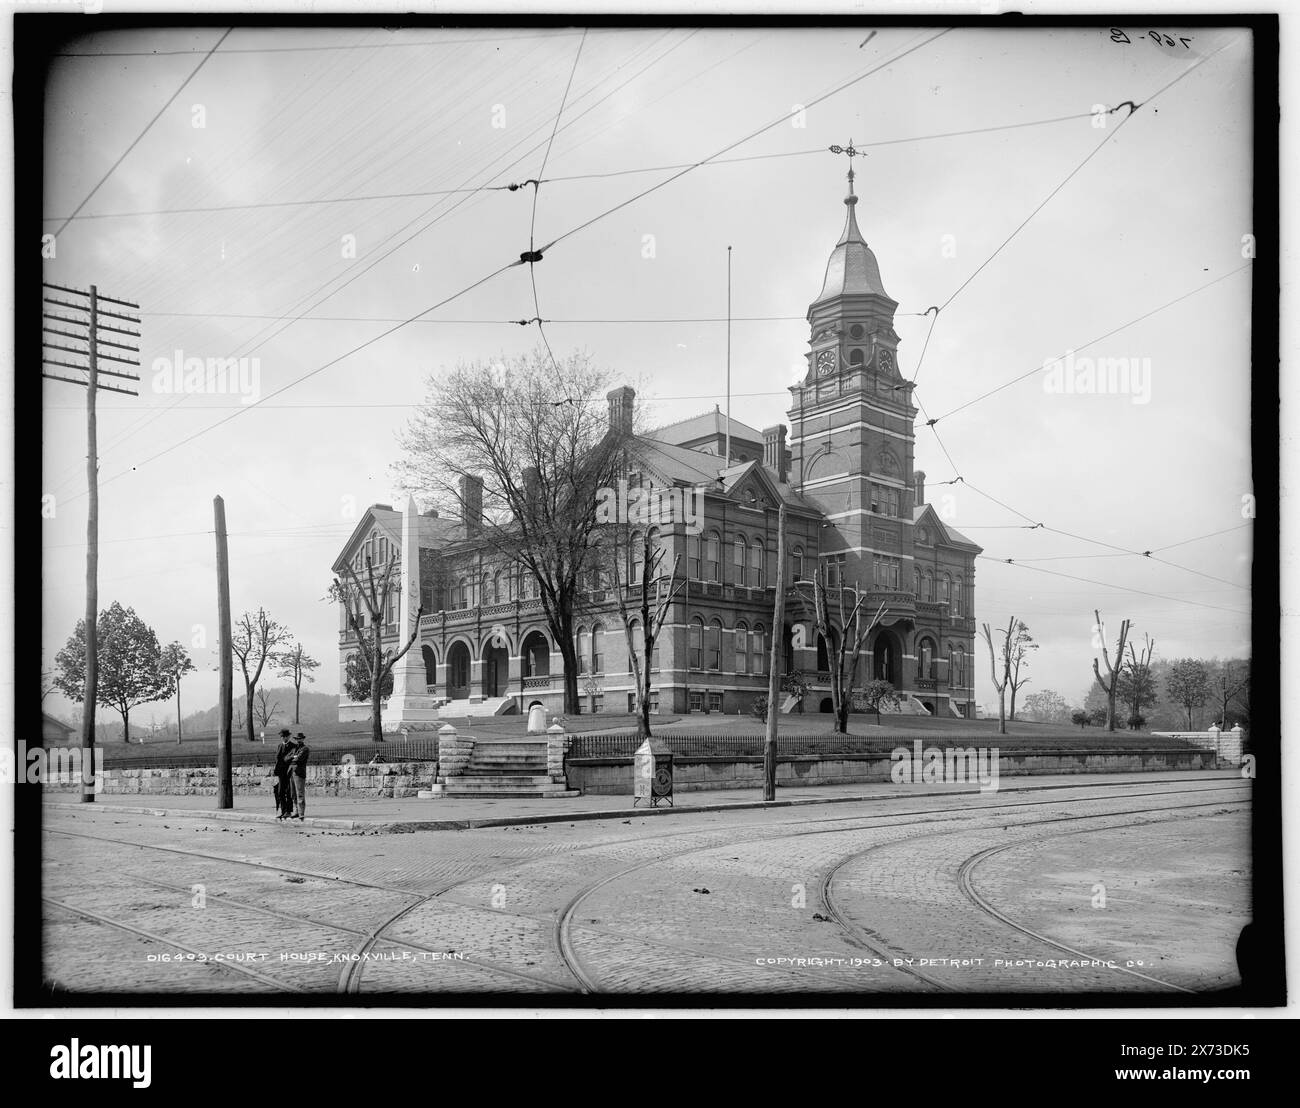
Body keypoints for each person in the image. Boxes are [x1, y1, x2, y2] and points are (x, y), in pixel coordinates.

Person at [287, 732, 311, 821]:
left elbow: (298, 759)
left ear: (303, 739)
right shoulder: (294, 749)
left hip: (299, 773)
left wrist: (293, 758)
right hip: (291, 773)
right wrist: (293, 756)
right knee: (293, 793)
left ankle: (301, 813)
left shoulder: (305, 749)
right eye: (297, 739)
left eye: (300, 739)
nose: (298, 740)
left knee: (300, 793)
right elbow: (286, 758)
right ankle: (296, 811)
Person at [272, 729, 294, 820]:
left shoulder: (293, 746)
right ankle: (283, 811)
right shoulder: (280, 746)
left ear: (288, 736)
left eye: (284, 736)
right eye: (282, 736)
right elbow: (278, 759)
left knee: (289, 792)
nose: (283, 738)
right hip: (281, 773)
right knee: (280, 792)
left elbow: (292, 759)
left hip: (289, 772)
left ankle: (288, 811)